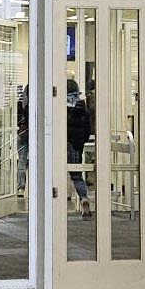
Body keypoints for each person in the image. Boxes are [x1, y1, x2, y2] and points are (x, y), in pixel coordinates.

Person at [66, 79, 92, 217]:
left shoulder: (61, 107)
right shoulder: (83, 108)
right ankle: (83, 198)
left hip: (64, 143)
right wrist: (82, 141)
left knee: (54, 173)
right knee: (76, 175)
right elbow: (88, 129)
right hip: (77, 145)